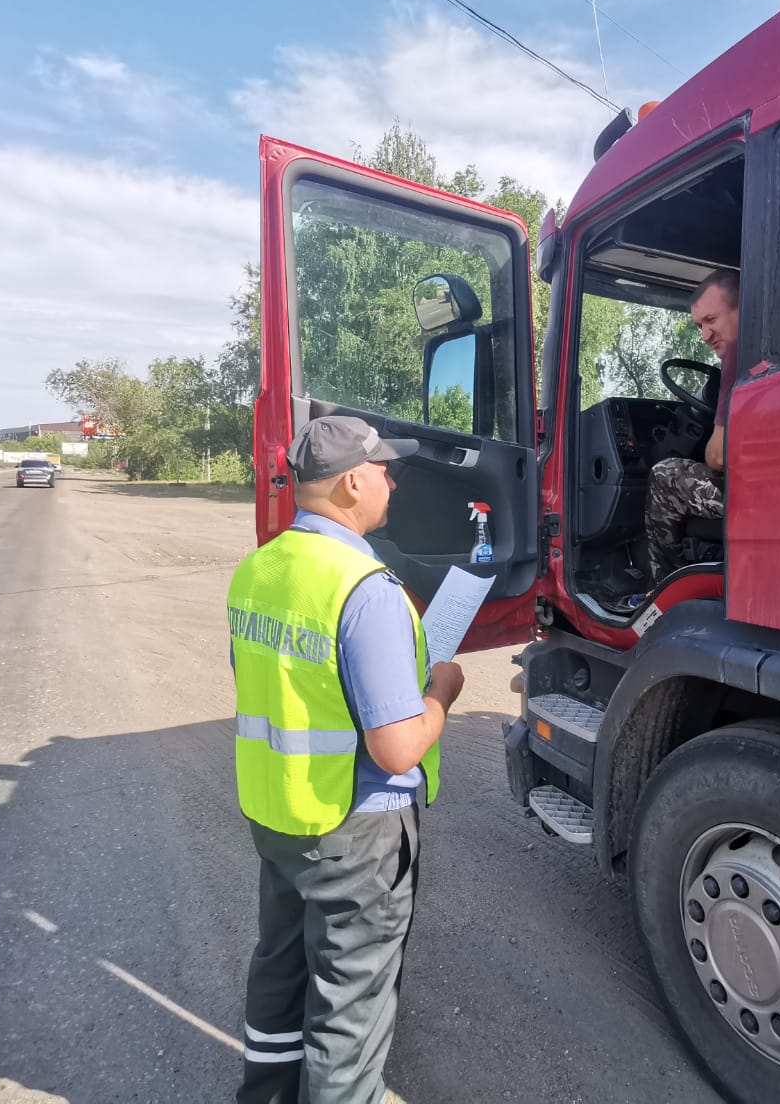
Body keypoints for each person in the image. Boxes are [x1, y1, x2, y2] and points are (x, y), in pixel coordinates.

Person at [229, 414, 465, 1104]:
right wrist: (443, 692)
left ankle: (266, 1094)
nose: (391, 482)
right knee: (350, 1007)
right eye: (385, 470)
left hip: (276, 810)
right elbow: (395, 746)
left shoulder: (258, 568)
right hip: (352, 827)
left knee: (280, 967)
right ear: (353, 481)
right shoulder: (363, 587)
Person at [644, 267, 740, 581]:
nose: (704, 336)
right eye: (699, 325)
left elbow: (718, 457)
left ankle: (666, 586)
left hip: (757, 493)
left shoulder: (737, 357)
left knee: (664, 475)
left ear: (742, 308)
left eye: (711, 320)